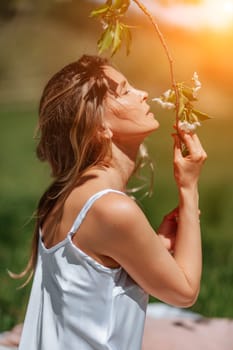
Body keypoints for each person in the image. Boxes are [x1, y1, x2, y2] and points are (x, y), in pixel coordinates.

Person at [18, 54, 207, 350]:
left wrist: (154, 244)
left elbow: (95, 279)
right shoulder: (111, 209)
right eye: (124, 91)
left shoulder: (68, 195)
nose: (143, 93)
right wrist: (189, 187)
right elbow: (184, 292)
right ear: (100, 127)